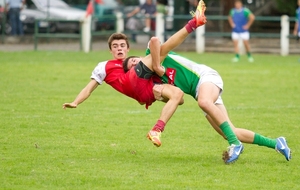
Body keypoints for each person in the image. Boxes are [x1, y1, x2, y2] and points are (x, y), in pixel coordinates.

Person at [122, 1, 291, 164]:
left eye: (134, 61)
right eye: (132, 67)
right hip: (199, 92)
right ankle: (276, 143)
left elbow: (155, 41)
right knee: (229, 131)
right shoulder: (155, 81)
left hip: (205, 77)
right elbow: (178, 99)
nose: (136, 65)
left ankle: (235, 145)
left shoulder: (154, 55)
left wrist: (191, 26)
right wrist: (160, 94)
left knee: (204, 103)